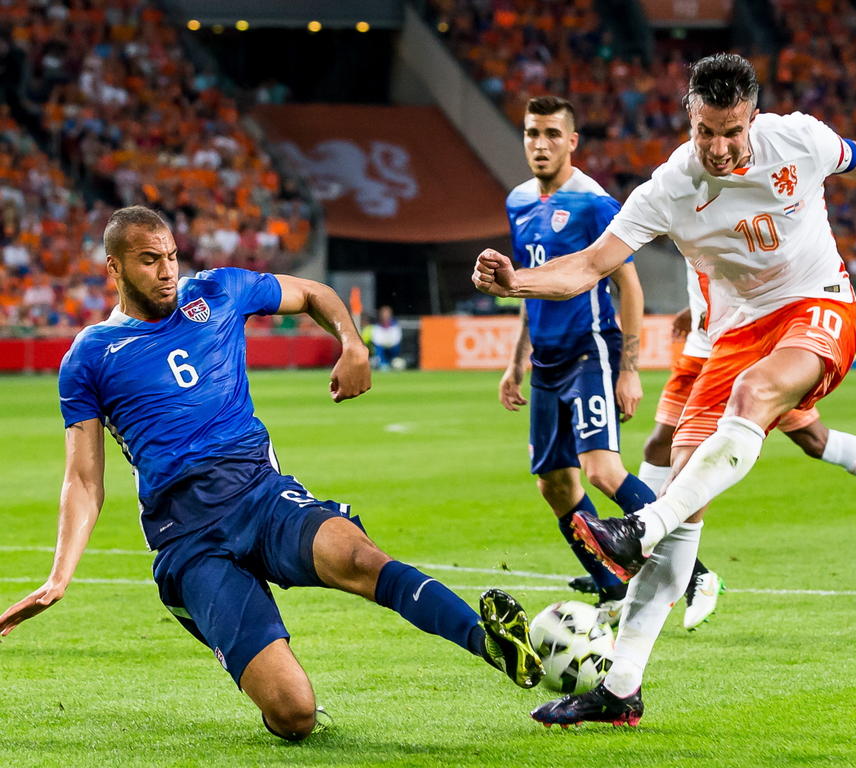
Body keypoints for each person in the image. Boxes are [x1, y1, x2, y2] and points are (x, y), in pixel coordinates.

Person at [473, 53, 856, 726]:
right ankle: (619, 691)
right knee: (682, 530)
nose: (722, 147)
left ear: (753, 118)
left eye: (733, 131)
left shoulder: (798, 137)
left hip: (816, 305)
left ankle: (642, 524)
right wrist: (514, 283)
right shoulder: (670, 186)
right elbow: (587, 266)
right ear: (690, 119)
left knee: (754, 401)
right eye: (707, 131)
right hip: (734, 336)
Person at [0, 206, 543, 742]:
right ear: (114, 268)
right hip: (188, 538)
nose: (167, 271)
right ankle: (208, 614)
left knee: (359, 557)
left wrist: (352, 343)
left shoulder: (217, 291)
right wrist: (58, 577)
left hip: (260, 495)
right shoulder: (90, 357)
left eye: (170, 257)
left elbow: (311, 292)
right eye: (149, 261)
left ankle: (487, 643)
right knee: (294, 716)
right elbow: (84, 478)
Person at [499, 95, 716, 625]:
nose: (540, 144)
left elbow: (629, 285)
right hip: (546, 359)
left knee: (601, 471)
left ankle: (698, 573)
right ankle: (613, 586)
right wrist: (516, 360)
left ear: (572, 141)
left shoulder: (594, 202)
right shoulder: (518, 202)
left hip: (590, 350)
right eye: (532, 133)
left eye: (552, 134)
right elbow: (532, 285)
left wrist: (630, 367)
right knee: (554, 484)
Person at [641, 261, 856, 554]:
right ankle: (640, 543)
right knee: (660, 447)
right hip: (704, 351)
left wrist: (719, 312)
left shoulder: (737, 221)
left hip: (750, 347)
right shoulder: (687, 218)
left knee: (813, 439)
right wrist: (695, 310)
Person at [369, 304, 403, 369]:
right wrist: (384, 344)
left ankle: (393, 362)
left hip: (393, 347)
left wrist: (389, 344)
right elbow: (376, 340)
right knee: (378, 348)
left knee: (396, 348)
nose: (385, 316)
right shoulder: (376, 326)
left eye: (387, 314)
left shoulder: (395, 325)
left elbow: (397, 339)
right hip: (381, 347)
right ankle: (383, 364)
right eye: (384, 314)